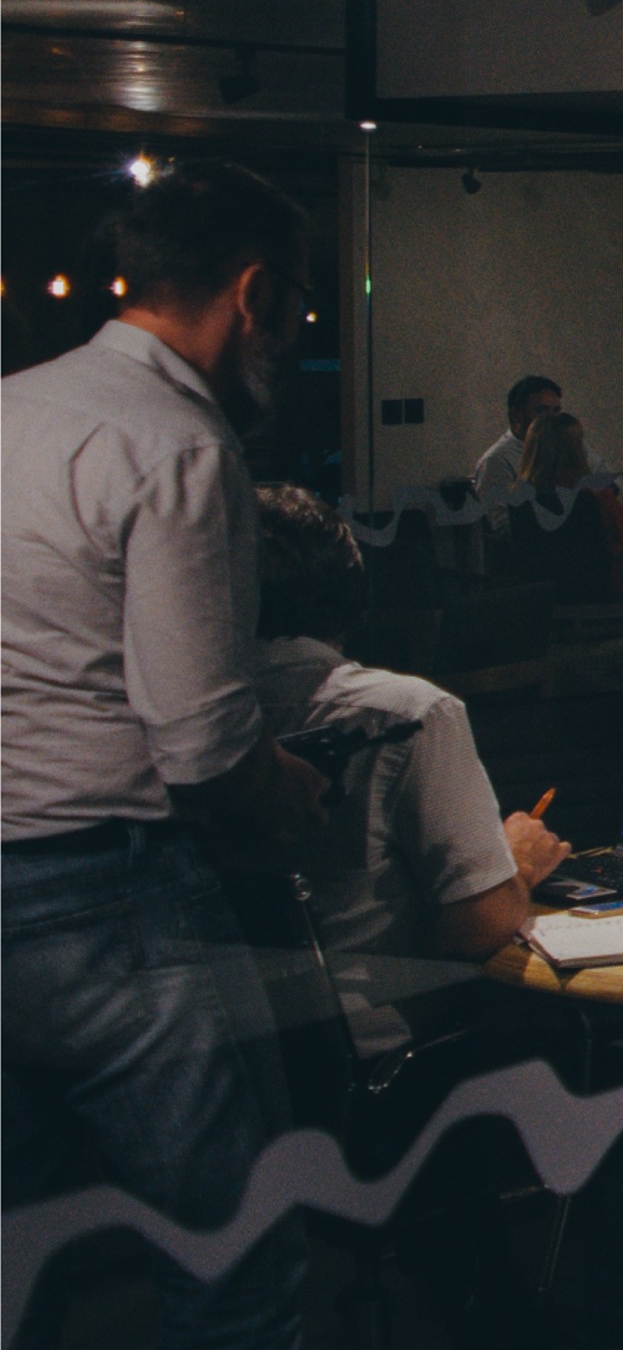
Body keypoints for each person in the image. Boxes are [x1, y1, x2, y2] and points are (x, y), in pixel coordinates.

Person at [2, 162, 324, 1349]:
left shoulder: (13, 405)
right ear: (251, 294)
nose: (291, 337)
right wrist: (281, 782)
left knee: (20, 1261)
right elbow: (196, 739)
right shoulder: (175, 441)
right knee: (237, 1253)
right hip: (106, 895)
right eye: (293, 307)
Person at [251, 486, 570, 1046]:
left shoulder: (156, 720)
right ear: (350, 590)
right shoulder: (406, 714)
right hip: (384, 1043)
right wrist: (516, 862)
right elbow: (477, 926)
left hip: (224, 1054)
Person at [499, 411, 623, 601]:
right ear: (576, 450)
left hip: (540, 597)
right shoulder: (593, 497)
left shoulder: (519, 498)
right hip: (596, 594)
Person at [468, 375, 561, 501]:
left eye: (556, 411)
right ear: (517, 415)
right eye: (542, 411)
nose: (552, 419)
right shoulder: (497, 461)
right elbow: (499, 517)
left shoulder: (565, 445)